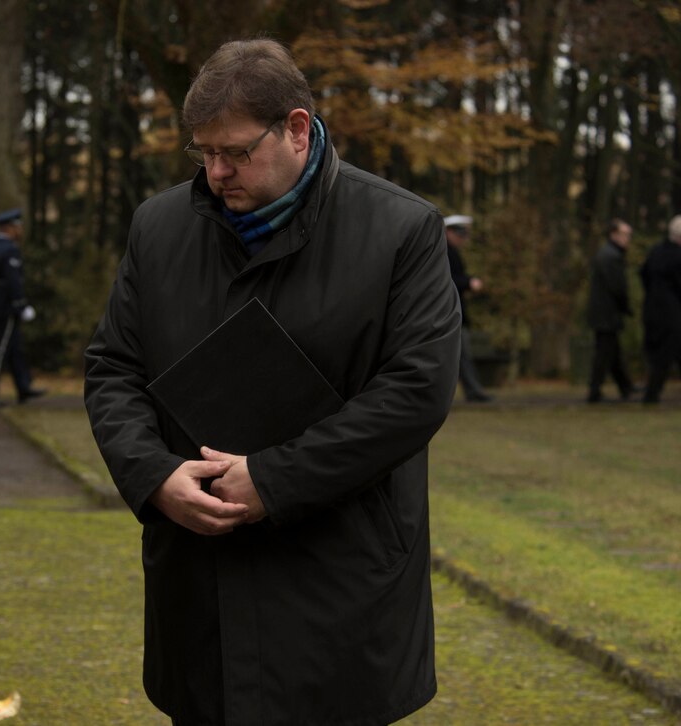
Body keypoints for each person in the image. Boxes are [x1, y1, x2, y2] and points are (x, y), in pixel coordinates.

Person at [84, 39, 460, 726]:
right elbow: (114, 367)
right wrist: (153, 475)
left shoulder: (402, 230)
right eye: (203, 153)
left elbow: (416, 390)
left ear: (295, 127)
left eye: (234, 151)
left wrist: (275, 479)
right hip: (199, 589)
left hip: (340, 588)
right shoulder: (160, 227)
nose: (217, 172)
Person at [0, 208, 45, 406]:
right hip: (5, 307)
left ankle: (23, 387)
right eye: (17, 227)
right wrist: (20, 304)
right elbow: (13, 280)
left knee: (14, 347)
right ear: (10, 228)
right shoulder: (9, 249)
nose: (19, 230)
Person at [444, 215, 493, 402]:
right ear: (449, 232)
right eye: (460, 233)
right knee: (461, 354)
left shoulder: (451, 252)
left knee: (461, 354)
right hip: (450, 313)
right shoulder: (446, 252)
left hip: (453, 313)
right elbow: (447, 280)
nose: (463, 238)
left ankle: (473, 391)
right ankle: (474, 391)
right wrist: (469, 282)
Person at [586, 218, 636, 403]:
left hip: (604, 312)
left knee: (612, 352)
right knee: (604, 353)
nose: (628, 239)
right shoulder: (611, 257)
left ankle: (625, 386)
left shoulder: (608, 254)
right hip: (606, 313)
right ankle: (594, 390)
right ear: (614, 235)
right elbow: (617, 287)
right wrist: (625, 307)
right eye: (625, 235)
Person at [639, 214, 681, 403]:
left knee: (661, 354)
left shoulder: (656, 251)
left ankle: (652, 393)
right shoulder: (677, 257)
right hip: (671, 313)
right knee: (665, 355)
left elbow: (643, 274)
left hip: (652, 308)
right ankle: (651, 394)